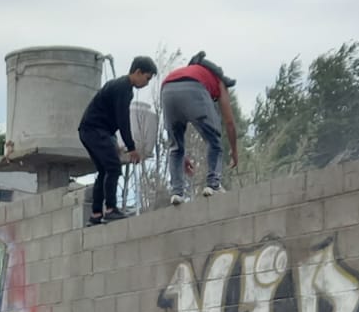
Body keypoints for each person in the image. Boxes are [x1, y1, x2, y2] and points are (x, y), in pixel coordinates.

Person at [78, 55, 157, 226]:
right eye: (147, 78)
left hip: (90, 130)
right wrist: (132, 147)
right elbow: (123, 120)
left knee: (104, 170)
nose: (147, 83)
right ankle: (111, 209)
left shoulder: (118, 85)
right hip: (94, 130)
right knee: (113, 168)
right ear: (138, 72)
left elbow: (111, 117)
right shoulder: (124, 88)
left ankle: (96, 214)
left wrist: (114, 142)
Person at [161, 50, 239, 204]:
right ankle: (213, 184)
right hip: (193, 88)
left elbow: (174, 136)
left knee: (176, 147)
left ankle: (177, 193)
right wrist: (234, 150)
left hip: (166, 89)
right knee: (214, 140)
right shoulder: (219, 81)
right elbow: (229, 122)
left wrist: (181, 157)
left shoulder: (190, 71)